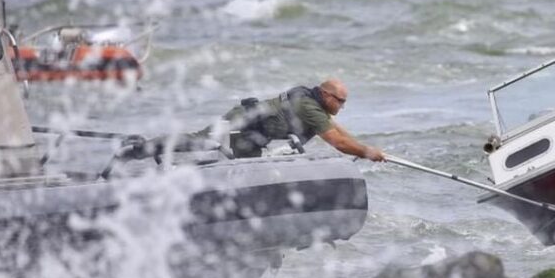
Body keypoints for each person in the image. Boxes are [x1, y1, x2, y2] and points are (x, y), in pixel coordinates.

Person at [122, 78, 385, 162]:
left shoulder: (316, 105)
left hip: (252, 136)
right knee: (202, 142)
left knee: (245, 169)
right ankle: (142, 149)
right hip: (241, 123)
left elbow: (338, 131)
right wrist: (367, 153)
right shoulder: (309, 107)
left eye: (344, 102)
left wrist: (366, 149)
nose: (342, 106)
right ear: (326, 94)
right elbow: (337, 142)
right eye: (339, 101)